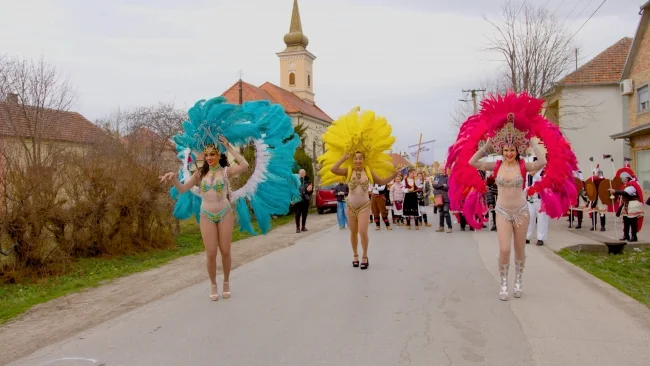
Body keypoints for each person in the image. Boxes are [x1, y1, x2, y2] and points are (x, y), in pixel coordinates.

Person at [161, 97, 299, 301]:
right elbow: (183, 189)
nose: (209, 157)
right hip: (206, 214)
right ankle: (213, 283)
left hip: (225, 213)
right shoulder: (199, 174)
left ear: (219, 155)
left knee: (225, 251)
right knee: (210, 253)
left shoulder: (226, 172)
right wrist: (173, 179)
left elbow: (244, 165)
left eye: (213, 154)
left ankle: (226, 280)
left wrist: (230, 146)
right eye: (206, 154)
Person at [447, 91, 577, 301]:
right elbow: (472, 162)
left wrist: (534, 140)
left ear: (517, 151)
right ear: (502, 150)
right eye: (505, 149)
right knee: (505, 249)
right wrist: (487, 146)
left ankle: (518, 280)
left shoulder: (525, 166)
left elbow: (543, 162)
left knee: (519, 250)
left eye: (512, 150)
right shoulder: (496, 165)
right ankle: (504, 282)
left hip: (522, 212)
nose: (508, 153)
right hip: (502, 212)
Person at [318, 107, 398, 270]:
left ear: (364, 159)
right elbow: (333, 169)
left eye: (360, 158)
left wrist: (394, 175)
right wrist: (344, 157)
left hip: (364, 206)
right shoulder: (349, 171)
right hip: (350, 206)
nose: (358, 161)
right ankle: (355, 254)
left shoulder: (368, 171)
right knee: (353, 233)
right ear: (353, 160)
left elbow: (381, 180)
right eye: (356, 158)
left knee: (363, 231)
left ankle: (365, 256)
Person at [609, 164, 644, 242]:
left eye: (623, 177)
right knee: (626, 220)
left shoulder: (632, 184)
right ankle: (626, 235)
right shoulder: (626, 185)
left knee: (632, 221)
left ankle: (634, 236)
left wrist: (615, 191)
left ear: (627, 177)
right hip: (627, 205)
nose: (622, 179)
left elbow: (626, 193)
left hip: (633, 204)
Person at [526, 158, 548, 246]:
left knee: (542, 219)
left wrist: (535, 175)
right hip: (530, 200)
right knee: (529, 218)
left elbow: (545, 184)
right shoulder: (529, 173)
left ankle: (540, 238)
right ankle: (527, 237)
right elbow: (527, 185)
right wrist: (527, 190)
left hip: (541, 200)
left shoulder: (545, 172)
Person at [432, 168, 452, 233]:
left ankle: (449, 227)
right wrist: (442, 185)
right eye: (441, 169)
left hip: (446, 197)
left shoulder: (448, 178)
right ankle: (441, 227)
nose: (442, 170)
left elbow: (448, 187)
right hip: (438, 197)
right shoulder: (437, 177)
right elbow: (434, 185)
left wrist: (440, 186)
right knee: (441, 212)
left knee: (446, 212)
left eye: (444, 169)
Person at [295, 169, 313, 233]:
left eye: (303, 173)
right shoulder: (296, 181)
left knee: (304, 214)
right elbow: (293, 191)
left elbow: (311, 191)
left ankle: (303, 226)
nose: (302, 174)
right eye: (300, 173)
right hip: (298, 200)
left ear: (305, 174)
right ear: (299, 174)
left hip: (305, 201)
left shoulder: (308, 181)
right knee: (297, 214)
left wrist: (310, 190)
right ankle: (297, 227)